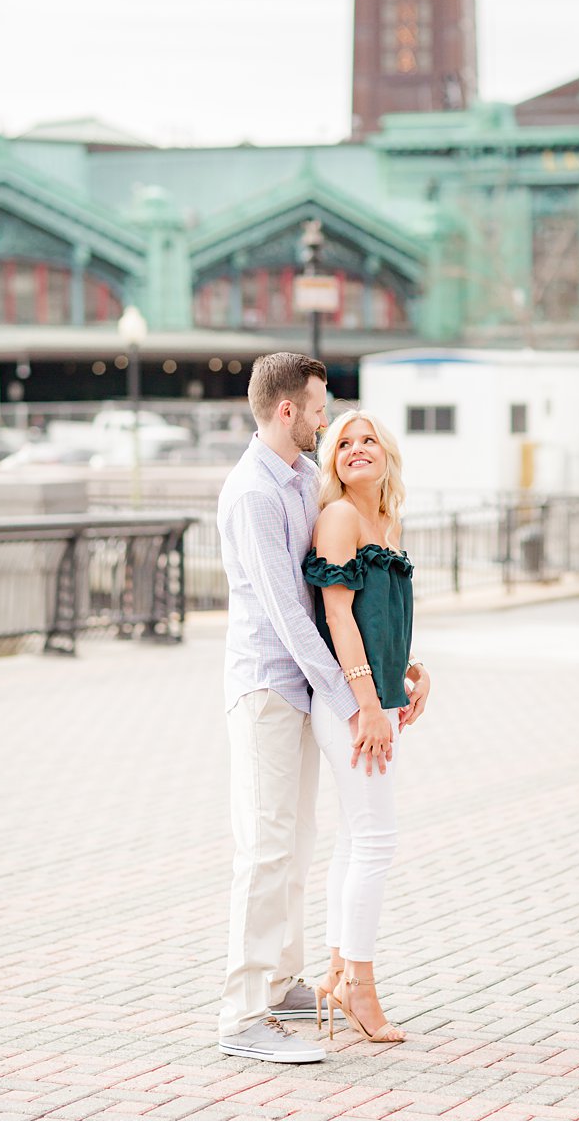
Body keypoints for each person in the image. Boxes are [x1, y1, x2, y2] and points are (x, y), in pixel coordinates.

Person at [217, 352, 365, 1064]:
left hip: (304, 690)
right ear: (286, 411)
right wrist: (347, 698)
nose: (324, 418)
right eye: (317, 407)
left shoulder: (306, 477)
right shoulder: (253, 493)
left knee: (297, 842)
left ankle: (280, 984)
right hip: (267, 689)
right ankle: (240, 1012)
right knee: (265, 849)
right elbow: (284, 612)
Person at [304, 409, 429, 1045]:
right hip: (350, 705)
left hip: (377, 695)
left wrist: (409, 670)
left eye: (367, 439)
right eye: (343, 443)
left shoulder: (387, 522)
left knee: (356, 838)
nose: (355, 449)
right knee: (377, 840)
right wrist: (368, 707)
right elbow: (338, 616)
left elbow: (381, 617)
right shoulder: (339, 518)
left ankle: (333, 974)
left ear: (386, 453)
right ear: (333, 462)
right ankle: (360, 986)